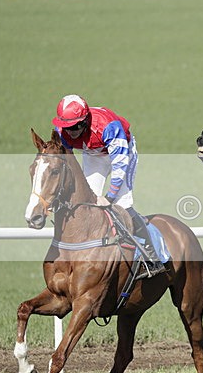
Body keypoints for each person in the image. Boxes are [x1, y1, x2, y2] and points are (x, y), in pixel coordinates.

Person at [51, 94, 165, 276]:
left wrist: (110, 197)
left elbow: (120, 167)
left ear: (85, 121)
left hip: (122, 152)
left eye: (75, 126)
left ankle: (152, 258)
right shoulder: (60, 130)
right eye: (67, 127)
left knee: (123, 205)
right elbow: (66, 163)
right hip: (93, 154)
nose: (70, 131)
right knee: (86, 203)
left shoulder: (108, 127)